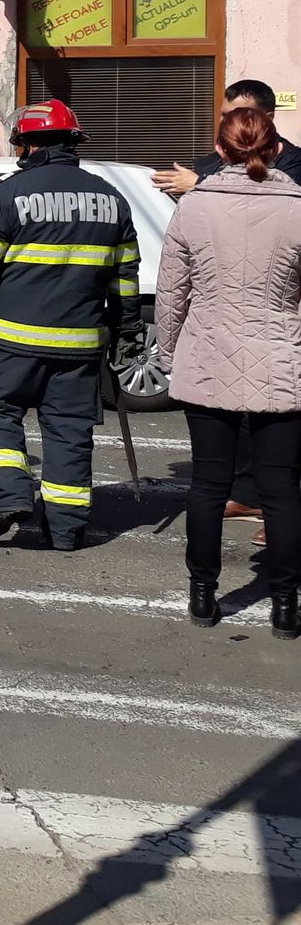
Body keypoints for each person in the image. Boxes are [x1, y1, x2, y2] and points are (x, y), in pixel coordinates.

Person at [0, 100, 141, 553]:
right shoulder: (110, 198)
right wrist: (127, 332)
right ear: (73, 142)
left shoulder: (8, 194)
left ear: (28, 144)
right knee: (70, 431)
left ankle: (11, 496)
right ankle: (68, 530)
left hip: (14, 341)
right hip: (81, 344)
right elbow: (125, 276)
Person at [155, 106, 301, 636]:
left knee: (208, 484)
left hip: (209, 356)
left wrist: (169, 353)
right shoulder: (297, 206)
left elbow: (173, 292)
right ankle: (286, 603)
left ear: (220, 150)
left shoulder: (193, 208)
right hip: (283, 358)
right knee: (281, 489)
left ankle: (202, 594)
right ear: (275, 147)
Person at [153, 79, 301, 198]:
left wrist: (200, 185)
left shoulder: (294, 163)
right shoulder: (211, 163)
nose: (228, 122)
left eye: (239, 115)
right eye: (224, 114)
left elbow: (267, 205)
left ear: (269, 118)